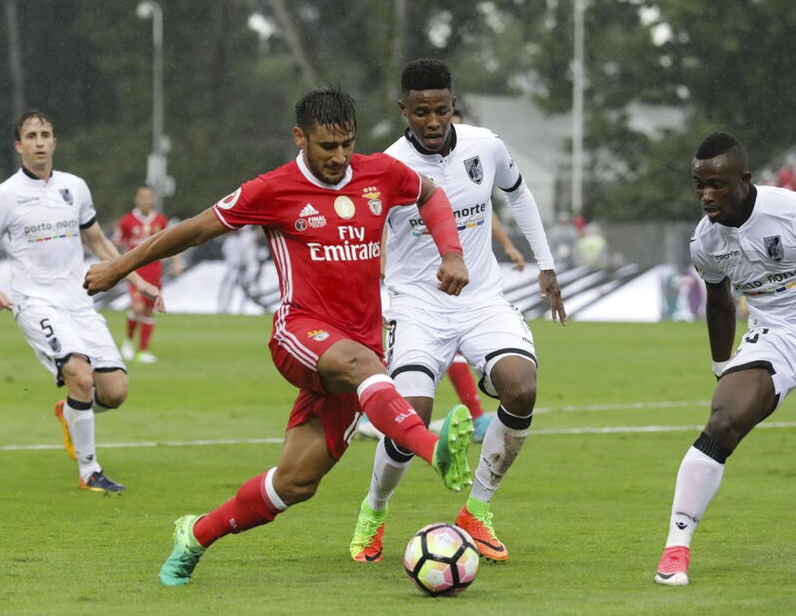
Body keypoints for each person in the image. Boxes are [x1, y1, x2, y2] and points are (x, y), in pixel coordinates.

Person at [82, 88, 475, 586]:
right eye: (327, 146)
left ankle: (195, 535)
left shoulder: (380, 174)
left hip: (357, 355)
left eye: (346, 145)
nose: (338, 157)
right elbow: (196, 231)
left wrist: (452, 252)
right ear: (300, 137)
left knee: (295, 482)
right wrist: (120, 265)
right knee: (364, 367)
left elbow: (430, 194)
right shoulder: (273, 189)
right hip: (300, 333)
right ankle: (432, 445)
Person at [349, 59, 566, 564]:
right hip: (417, 306)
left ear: (453, 106)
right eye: (420, 111)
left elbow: (519, 193)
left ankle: (477, 511)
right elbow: (365, 238)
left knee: (522, 386)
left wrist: (546, 264)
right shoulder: (388, 167)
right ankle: (374, 511)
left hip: (483, 300)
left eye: (441, 110)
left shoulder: (485, 145)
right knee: (411, 419)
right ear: (403, 109)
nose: (431, 121)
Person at [654, 132, 796, 586]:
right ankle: (676, 547)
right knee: (723, 418)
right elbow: (719, 303)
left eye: (716, 184)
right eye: (699, 185)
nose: (706, 195)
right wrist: (722, 368)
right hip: (775, 335)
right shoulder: (706, 241)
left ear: (744, 180)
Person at [0, 110, 162, 493]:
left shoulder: (75, 187)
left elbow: (99, 242)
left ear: (54, 142)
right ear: (19, 145)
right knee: (81, 375)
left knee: (115, 392)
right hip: (35, 302)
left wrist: (138, 281)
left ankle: (70, 410)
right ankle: (90, 472)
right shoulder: (6, 195)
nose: (39, 141)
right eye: (31, 135)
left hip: (79, 300)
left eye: (45, 134)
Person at [114, 185, 182, 363]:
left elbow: (170, 243)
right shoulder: (127, 221)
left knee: (149, 310)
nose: (146, 200)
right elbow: (117, 245)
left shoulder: (160, 220)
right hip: (134, 271)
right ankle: (128, 341)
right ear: (136, 199)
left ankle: (143, 351)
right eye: (142, 197)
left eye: (149, 197)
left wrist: (176, 262)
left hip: (154, 272)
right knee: (136, 308)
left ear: (153, 200)